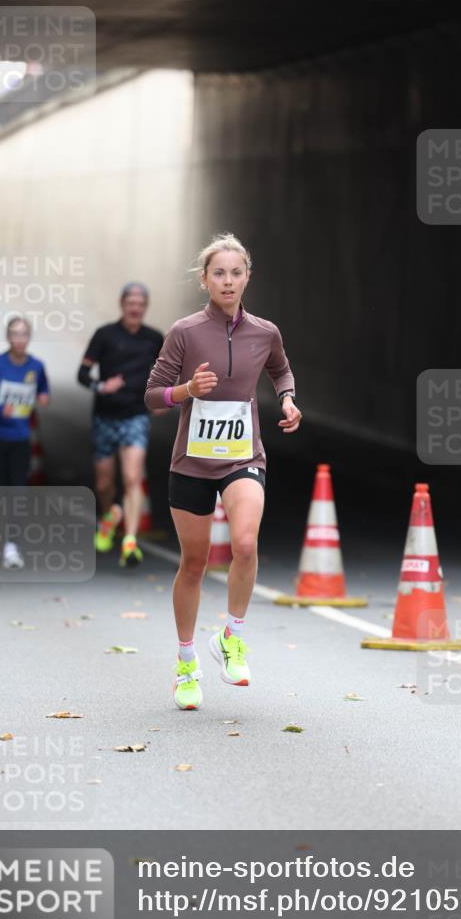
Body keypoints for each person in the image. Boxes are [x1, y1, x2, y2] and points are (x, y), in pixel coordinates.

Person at [145, 233, 302, 710]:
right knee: (193, 564)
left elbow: (281, 370)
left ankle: (233, 636)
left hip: (242, 458)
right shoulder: (185, 332)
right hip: (191, 463)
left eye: (236, 273)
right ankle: (187, 664)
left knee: (246, 542)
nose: (228, 281)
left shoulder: (265, 331)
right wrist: (187, 389)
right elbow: (153, 395)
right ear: (205, 280)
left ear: (247, 277)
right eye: (219, 273)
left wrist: (290, 400)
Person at [77, 283, 163, 567]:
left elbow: (167, 373)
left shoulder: (154, 339)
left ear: (146, 307)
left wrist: (163, 398)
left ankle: (130, 540)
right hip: (105, 417)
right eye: (131, 302)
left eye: (140, 303)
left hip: (136, 416)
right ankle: (109, 514)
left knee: (131, 478)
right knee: (104, 483)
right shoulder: (105, 335)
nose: (135, 307)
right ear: (122, 304)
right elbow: (83, 373)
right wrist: (102, 385)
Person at [0, 316, 50, 568]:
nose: (19, 339)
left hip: (20, 438)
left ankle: (11, 546)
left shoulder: (36, 366)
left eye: (24, 334)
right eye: (14, 334)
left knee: (18, 491)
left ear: (29, 338)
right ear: (8, 337)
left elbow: (43, 390)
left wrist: (44, 397)